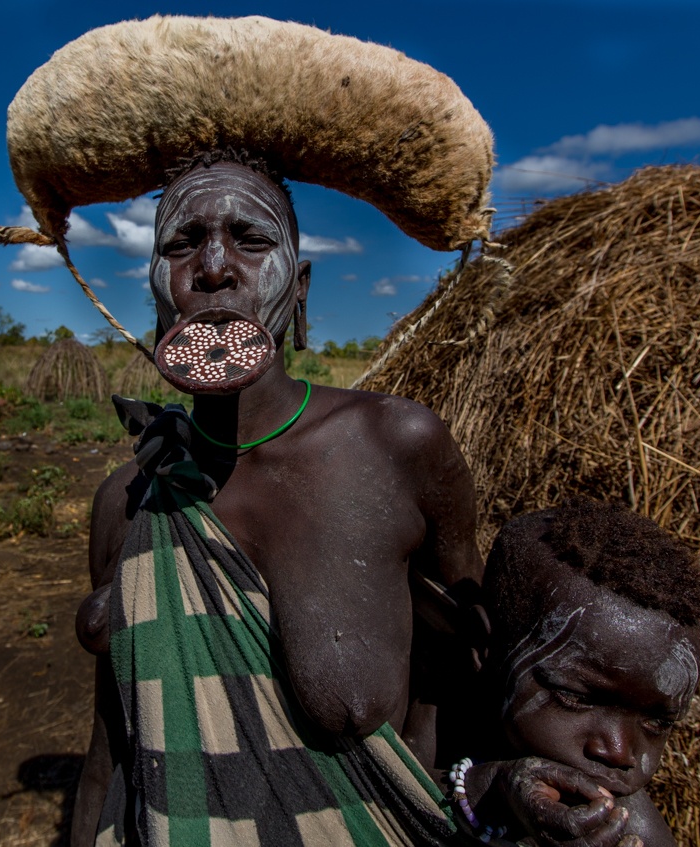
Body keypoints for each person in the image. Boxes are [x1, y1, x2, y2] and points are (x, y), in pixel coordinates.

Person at [71, 151, 638, 847]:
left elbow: (472, 678)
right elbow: (111, 753)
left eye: (250, 240)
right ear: (156, 290)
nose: (213, 267)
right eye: (182, 244)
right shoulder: (127, 501)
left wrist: (499, 789)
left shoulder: (395, 448)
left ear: (300, 288)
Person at [452, 500, 700, 846]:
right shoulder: (427, 714)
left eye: (657, 722)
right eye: (575, 697)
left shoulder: (636, 834)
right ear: (484, 648)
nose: (619, 752)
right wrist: (488, 791)